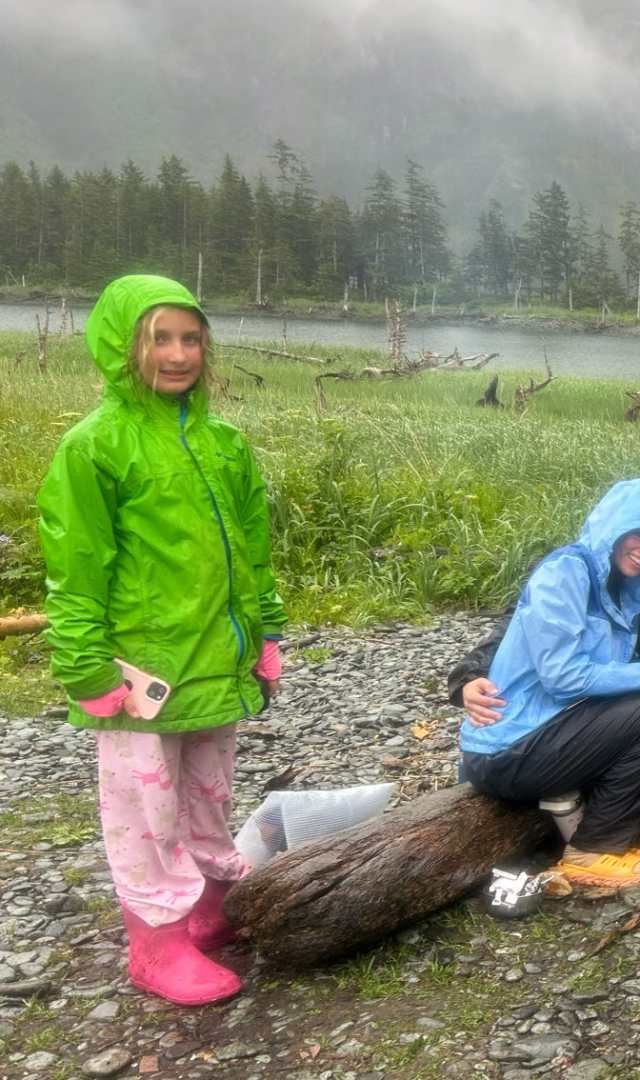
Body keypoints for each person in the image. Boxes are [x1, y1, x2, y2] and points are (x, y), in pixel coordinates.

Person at [37, 275, 284, 1006]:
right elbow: (76, 569)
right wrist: (84, 666)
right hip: (138, 668)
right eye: (159, 339)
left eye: (191, 338)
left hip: (216, 659)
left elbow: (253, 551)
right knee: (145, 811)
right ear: (122, 347)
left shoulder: (223, 442)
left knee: (207, 794)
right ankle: (154, 944)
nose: (178, 355)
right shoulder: (95, 446)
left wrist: (266, 633)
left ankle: (206, 909)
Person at [449, 483, 640, 829]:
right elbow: (515, 631)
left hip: (614, 693)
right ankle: (625, 806)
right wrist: (468, 677)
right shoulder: (581, 570)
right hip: (577, 703)